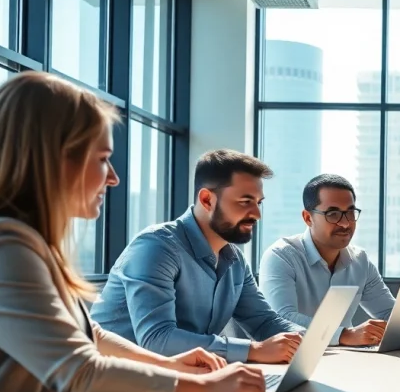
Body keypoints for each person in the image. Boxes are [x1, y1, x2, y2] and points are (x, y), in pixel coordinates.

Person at [0, 73, 270, 392]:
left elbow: (88, 333)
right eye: (103, 160)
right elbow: (80, 371)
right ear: (53, 159)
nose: (113, 179)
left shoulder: (23, 241)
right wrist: (207, 386)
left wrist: (173, 367)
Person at [91, 149, 303, 364]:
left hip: (178, 379)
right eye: (245, 201)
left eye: (258, 202)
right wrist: (253, 350)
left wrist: (305, 339)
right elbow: (157, 339)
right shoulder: (157, 247)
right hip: (114, 382)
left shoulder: (235, 260)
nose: (257, 214)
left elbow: (264, 322)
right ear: (207, 200)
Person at [259, 174, 394, 347]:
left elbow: (388, 313)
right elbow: (281, 317)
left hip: (346, 360)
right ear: (308, 218)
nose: (345, 224)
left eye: (350, 213)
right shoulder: (281, 256)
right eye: (333, 214)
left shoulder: (360, 260)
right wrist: (344, 335)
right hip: (291, 359)